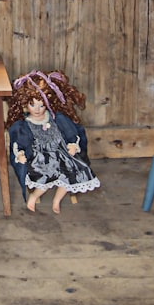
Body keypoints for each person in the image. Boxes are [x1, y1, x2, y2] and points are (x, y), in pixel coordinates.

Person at [7, 70, 100, 213]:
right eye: (33, 105)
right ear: (25, 104)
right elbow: (18, 142)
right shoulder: (24, 123)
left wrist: (73, 144)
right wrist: (20, 154)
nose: (37, 109)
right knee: (46, 176)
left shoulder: (56, 117)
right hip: (41, 156)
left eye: (41, 105)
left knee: (71, 173)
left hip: (61, 152)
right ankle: (34, 196)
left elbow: (71, 133)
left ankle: (57, 200)